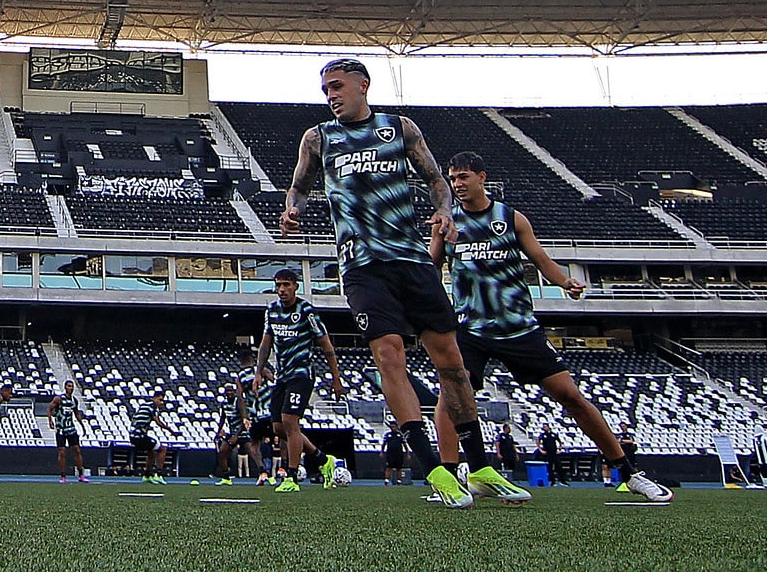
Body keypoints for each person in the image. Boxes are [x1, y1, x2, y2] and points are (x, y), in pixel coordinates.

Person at [280, 58, 476, 508]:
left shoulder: (399, 128)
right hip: (362, 265)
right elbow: (300, 186)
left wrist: (445, 211)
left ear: (363, 85)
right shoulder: (318, 138)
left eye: (338, 86)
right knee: (389, 353)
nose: (331, 95)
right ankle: (434, 471)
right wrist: (293, 209)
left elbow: (435, 180)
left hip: (411, 259)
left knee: (452, 364)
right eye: (325, 88)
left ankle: (479, 464)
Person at [431, 151, 671, 504]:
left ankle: (629, 472)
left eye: (463, 177)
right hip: (471, 329)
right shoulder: (447, 223)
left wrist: (565, 282)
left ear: (482, 177)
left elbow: (541, 260)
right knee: (451, 395)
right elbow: (431, 267)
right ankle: (450, 479)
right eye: (453, 179)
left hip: (519, 328)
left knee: (570, 395)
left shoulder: (510, 218)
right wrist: (431, 313)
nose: (458, 185)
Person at [256, 266, 345, 490]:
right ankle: (324, 460)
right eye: (278, 285)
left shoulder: (307, 311)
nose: (282, 289)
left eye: (286, 285)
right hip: (282, 375)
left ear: (295, 286)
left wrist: (336, 378)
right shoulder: (272, 310)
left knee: (289, 421)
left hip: (302, 374)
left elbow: (326, 344)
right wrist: (259, 371)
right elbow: (266, 343)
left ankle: (292, 477)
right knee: (278, 428)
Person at [212, 378, 258, 484]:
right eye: (227, 391)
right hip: (232, 433)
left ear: (234, 392)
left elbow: (244, 419)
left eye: (231, 391)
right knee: (222, 452)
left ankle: (264, 473)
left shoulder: (239, 402)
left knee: (253, 452)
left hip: (242, 432)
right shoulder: (224, 404)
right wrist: (218, 432)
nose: (229, 393)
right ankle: (226, 477)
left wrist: (237, 435)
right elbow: (222, 419)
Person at [128, 387, 170, 483]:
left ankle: (147, 475)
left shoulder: (143, 405)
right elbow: (157, 421)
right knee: (163, 449)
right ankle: (158, 474)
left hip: (133, 436)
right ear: (154, 398)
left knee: (151, 451)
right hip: (140, 436)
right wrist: (170, 430)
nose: (161, 403)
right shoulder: (152, 406)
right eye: (160, 400)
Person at [51, 380, 88, 483]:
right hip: (61, 429)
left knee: (77, 450)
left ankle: (81, 474)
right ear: (65, 387)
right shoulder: (59, 399)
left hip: (70, 428)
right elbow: (49, 409)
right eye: (69, 386)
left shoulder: (74, 400)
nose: (70, 388)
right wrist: (50, 421)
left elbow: (76, 413)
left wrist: (82, 425)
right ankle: (63, 476)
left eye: (72, 386)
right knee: (62, 452)